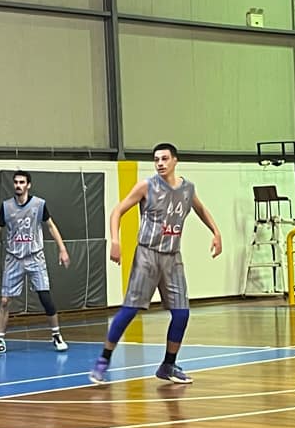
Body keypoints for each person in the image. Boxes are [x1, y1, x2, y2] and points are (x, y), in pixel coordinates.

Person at [92, 143, 222, 384]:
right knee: (130, 309)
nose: (160, 163)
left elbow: (201, 209)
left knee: (181, 314)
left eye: (164, 158)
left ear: (175, 160)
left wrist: (216, 232)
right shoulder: (146, 186)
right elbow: (117, 211)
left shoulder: (187, 189)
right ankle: (103, 359)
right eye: (156, 159)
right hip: (147, 254)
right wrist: (115, 240)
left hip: (173, 256)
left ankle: (168, 365)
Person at [0, 172, 70, 355]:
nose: (18, 185)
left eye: (22, 182)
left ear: (28, 185)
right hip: (14, 257)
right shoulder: (6, 206)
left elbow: (51, 226)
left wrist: (62, 249)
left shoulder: (39, 204)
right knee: (5, 300)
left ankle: (56, 335)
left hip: (34, 256)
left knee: (45, 298)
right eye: (16, 182)